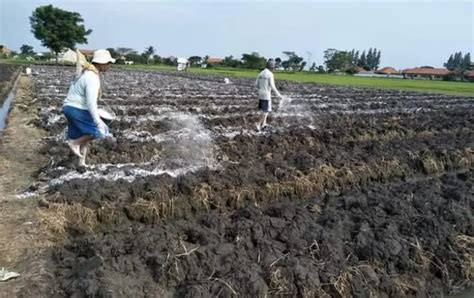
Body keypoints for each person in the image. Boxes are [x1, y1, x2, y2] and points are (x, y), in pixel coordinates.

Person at [62, 49, 115, 166]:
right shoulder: (92, 77)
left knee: (83, 137)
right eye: (108, 63)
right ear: (101, 64)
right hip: (77, 109)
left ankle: (81, 163)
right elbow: (91, 102)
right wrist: (98, 121)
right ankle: (74, 144)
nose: (110, 66)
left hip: (69, 108)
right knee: (100, 132)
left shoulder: (85, 73)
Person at [255, 58, 283, 131]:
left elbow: (256, 84)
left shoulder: (260, 73)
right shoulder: (270, 74)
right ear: (272, 66)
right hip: (266, 94)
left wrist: (261, 88)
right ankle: (258, 124)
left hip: (260, 93)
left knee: (267, 109)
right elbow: (272, 86)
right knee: (265, 111)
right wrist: (279, 95)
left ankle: (264, 124)